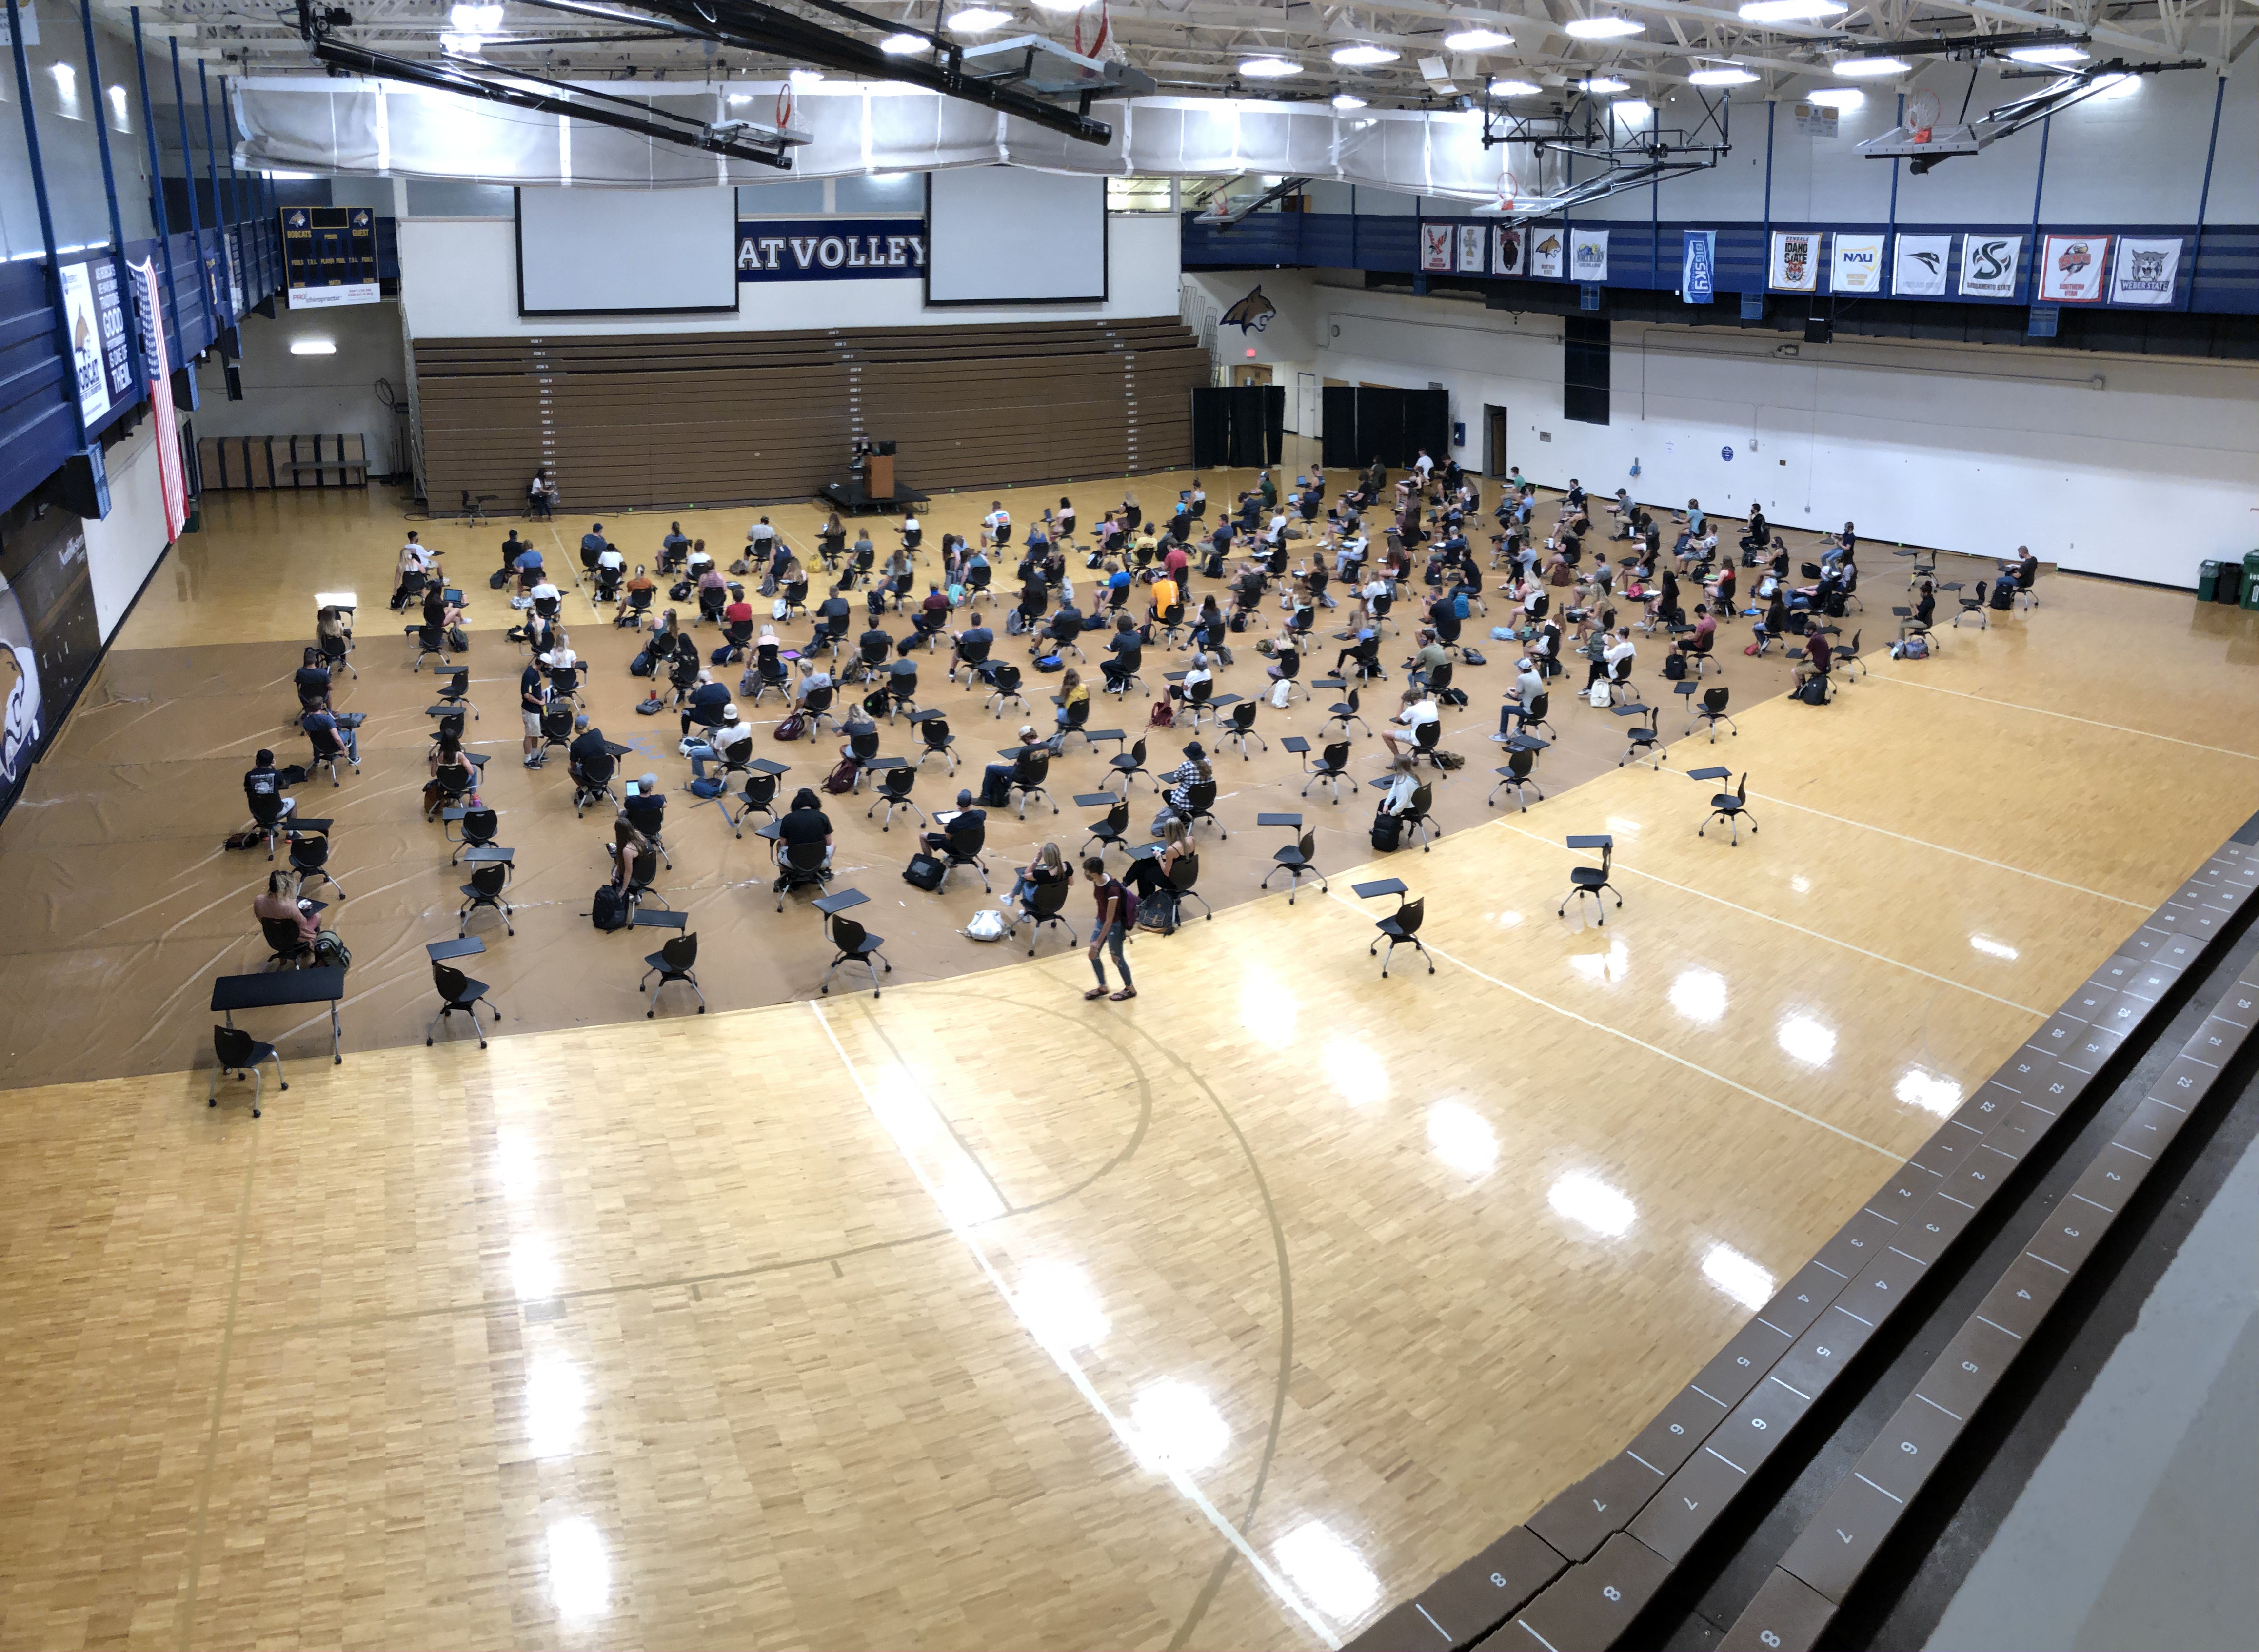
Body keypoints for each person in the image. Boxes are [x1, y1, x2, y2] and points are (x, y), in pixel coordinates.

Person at [1082, 857, 1137, 1002]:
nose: (1085, 874)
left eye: (1087, 872)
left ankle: (1130, 988)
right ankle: (1103, 987)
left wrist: (1098, 941)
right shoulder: (1098, 881)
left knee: (1116, 957)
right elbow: (1101, 907)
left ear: (1093, 874)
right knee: (1093, 954)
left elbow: (1110, 919)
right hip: (1102, 921)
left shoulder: (1112, 890)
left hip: (1114, 925)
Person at [1125, 817, 1189, 905]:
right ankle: (1126, 884)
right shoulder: (1191, 840)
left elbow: (1166, 872)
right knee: (1145, 861)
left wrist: (1159, 856)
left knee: (1144, 870)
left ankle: (1144, 898)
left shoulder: (1172, 850)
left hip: (1173, 881)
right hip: (1186, 875)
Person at [1153, 741, 1210, 835]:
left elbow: (1177, 778)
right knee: (1194, 793)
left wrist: (1180, 773)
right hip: (1205, 800)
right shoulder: (1208, 762)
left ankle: (1183, 817)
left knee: (1167, 794)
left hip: (1189, 801)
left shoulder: (1186, 766)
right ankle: (1187, 814)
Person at [253, 870, 322, 945]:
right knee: (317, 916)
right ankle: (315, 945)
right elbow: (303, 923)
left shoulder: (258, 901)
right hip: (293, 936)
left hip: (273, 936)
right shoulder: (289, 907)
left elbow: (261, 920)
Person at [684, 703, 750, 781]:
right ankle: (720, 768)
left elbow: (716, 749)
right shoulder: (747, 726)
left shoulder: (722, 733)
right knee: (725, 746)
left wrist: (712, 744)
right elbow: (736, 734)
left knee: (695, 754)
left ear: (724, 717)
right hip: (743, 756)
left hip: (728, 758)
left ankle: (702, 779)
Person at [777, 787, 835, 868]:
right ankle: (823, 870)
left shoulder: (788, 818)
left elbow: (783, 843)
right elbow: (829, 843)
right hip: (818, 862)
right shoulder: (823, 817)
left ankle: (784, 873)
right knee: (833, 844)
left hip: (794, 863)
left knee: (779, 845)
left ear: (796, 802)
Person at [924, 788, 987, 865]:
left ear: (958, 804)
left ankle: (928, 863)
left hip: (958, 850)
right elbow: (980, 815)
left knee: (923, 836)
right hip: (976, 848)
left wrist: (948, 827)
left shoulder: (954, 823)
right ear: (971, 802)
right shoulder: (981, 815)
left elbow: (948, 838)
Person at [1011, 839, 1072, 913]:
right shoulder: (1067, 867)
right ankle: (1010, 897)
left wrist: (1037, 859)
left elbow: (1025, 874)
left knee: (1025, 881)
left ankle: (1024, 912)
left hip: (1039, 903)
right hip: (1058, 902)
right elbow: (1071, 883)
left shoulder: (1040, 874)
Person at [1381, 687, 1437, 760]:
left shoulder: (1412, 709)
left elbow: (1398, 718)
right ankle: (1415, 756)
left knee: (1385, 734)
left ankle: (1398, 758)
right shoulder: (1432, 704)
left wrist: (1402, 702)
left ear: (1411, 701)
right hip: (1433, 739)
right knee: (1417, 728)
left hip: (1418, 740)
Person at [244, 748, 296, 824]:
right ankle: (292, 833)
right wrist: (275, 769)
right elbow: (285, 786)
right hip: (276, 811)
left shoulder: (249, 775)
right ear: (272, 762)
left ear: (257, 761)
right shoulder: (277, 774)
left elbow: (247, 788)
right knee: (293, 803)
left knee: (258, 800)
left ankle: (265, 834)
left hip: (256, 812)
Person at [303, 703, 357, 769]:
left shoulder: (306, 721)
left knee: (317, 738)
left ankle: (317, 760)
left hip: (319, 746)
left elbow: (311, 736)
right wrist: (344, 749)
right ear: (321, 707)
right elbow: (337, 738)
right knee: (352, 732)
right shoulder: (327, 719)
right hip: (334, 746)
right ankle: (353, 758)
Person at [610, 814, 653, 893]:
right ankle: (637, 897)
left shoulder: (627, 850)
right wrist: (616, 871)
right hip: (647, 872)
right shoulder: (638, 834)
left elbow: (628, 872)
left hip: (637, 879)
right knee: (615, 869)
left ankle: (630, 894)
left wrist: (623, 890)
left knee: (614, 870)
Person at [679, 669, 729, 739]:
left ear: (700, 680)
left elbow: (691, 700)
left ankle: (685, 736)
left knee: (685, 712)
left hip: (706, 719)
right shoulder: (722, 687)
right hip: (723, 719)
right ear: (710, 677)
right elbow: (728, 699)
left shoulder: (700, 691)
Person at [1101, 613, 1142, 694]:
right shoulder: (1137, 635)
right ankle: (1127, 683)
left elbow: (1113, 648)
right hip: (1136, 664)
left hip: (1123, 665)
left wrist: (1116, 637)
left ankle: (1114, 686)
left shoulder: (1119, 638)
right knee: (1119, 660)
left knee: (1104, 666)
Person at [1795, 627, 1832, 692]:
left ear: (1811, 631)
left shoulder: (1814, 640)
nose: (1805, 633)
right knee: (1798, 664)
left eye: (1806, 632)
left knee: (1794, 671)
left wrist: (1805, 649)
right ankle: (1804, 686)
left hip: (1818, 667)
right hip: (1824, 664)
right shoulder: (1820, 636)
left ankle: (1799, 690)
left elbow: (1804, 651)